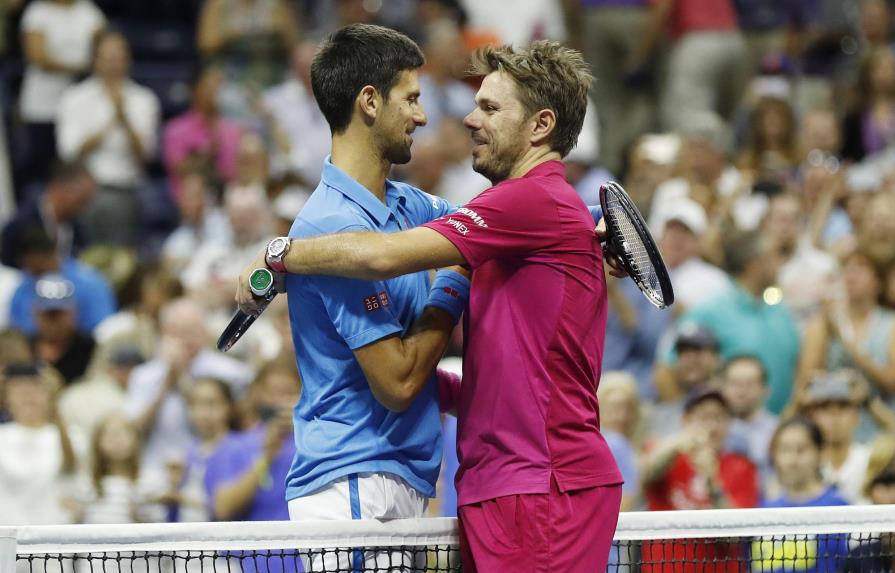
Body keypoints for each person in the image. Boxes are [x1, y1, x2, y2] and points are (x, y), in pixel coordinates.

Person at [236, 38, 623, 573]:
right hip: (360, 483)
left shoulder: (434, 207)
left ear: (539, 126)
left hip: (526, 483)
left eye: (488, 107)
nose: (448, 117)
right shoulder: (335, 222)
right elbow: (399, 383)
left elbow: (386, 258)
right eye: (412, 97)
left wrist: (281, 254)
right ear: (370, 103)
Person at [56, 29, 160, 246]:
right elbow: (68, 152)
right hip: (84, 190)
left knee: (118, 209)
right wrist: (109, 123)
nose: (114, 64)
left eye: (119, 58)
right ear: (95, 60)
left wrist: (125, 119)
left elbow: (147, 154)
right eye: (108, 58)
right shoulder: (75, 98)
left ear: (128, 60)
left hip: (127, 189)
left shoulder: (143, 99)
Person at [753, 417, 851, 573]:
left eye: (801, 449)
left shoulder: (839, 508)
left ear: (820, 453)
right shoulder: (763, 509)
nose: (792, 459)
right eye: (785, 450)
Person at [0, 362, 81, 524]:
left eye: (35, 389)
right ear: (7, 398)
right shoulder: (3, 436)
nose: (28, 396)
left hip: (54, 537)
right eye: (19, 391)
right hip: (6, 538)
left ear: (49, 395)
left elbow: (80, 488)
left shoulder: (73, 437)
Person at [0, 160, 96, 269]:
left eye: (88, 202)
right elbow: (7, 268)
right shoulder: (20, 225)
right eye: (82, 200)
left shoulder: (78, 230)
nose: (84, 208)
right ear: (58, 187)